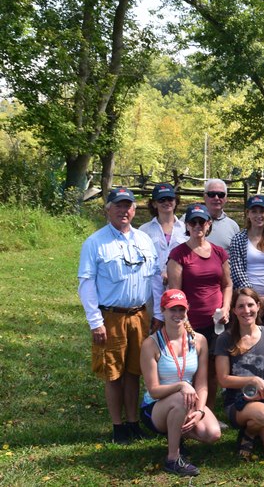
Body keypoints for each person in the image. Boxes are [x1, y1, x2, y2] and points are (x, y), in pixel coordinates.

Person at [78, 187, 159, 444]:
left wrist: (156, 313)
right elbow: (86, 283)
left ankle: (133, 423)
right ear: (108, 209)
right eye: (118, 206)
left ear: (135, 209)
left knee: (135, 371)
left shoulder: (144, 240)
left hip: (139, 315)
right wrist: (95, 321)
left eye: (128, 206)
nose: (124, 211)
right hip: (110, 317)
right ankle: (118, 426)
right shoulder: (95, 242)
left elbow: (155, 278)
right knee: (113, 373)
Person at [140, 289, 221, 476]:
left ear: (187, 310)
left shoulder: (199, 340)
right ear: (162, 311)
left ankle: (176, 430)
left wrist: (200, 410)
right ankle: (173, 458)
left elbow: (201, 384)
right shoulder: (150, 344)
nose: (177, 315)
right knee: (179, 398)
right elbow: (153, 390)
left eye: (181, 310)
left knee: (213, 433)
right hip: (156, 407)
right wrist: (180, 385)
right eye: (172, 310)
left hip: (189, 402)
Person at [167, 203, 233, 408]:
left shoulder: (219, 253)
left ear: (209, 224)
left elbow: (228, 284)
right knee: (191, 368)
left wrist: (227, 308)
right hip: (190, 322)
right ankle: (186, 409)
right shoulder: (178, 254)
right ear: (187, 225)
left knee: (213, 368)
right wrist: (183, 320)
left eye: (202, 221)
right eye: (193, 222)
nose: (198, 225)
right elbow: (175, 293)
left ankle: (207, 410)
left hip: (217, 322)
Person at [215, 288, 264, 461]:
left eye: (250, 305)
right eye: (240, 306)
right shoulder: (225, 339)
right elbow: (223, 379)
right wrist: (254, 380)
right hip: (238, 403)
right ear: (234, 310)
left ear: (258, 306)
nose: (246, 310)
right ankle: (248, 434)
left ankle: (257, 428)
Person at [228, 195, 264, 329]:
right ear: (248, 214)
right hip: (246, 300)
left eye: (262, 211)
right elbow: (236, 271)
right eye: (254, 211)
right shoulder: (238, 239)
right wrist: (254, 299)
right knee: (247, 338)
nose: (258, 215)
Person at [138, 182, 187, 323]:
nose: (166, 202)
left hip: (180, 286)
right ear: (154, 204)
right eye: (161, 200)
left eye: (170, 199)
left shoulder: (186, 228)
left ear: (175, 201)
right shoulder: (144, 230)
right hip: (152, 290)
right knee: (153, 327)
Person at [202, 178, 240, 252]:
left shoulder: (233, 226)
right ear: (205, 196)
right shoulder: (190, 221)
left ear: (226, 198)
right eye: (212, 194)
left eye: (221, 195)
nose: (216, 198)